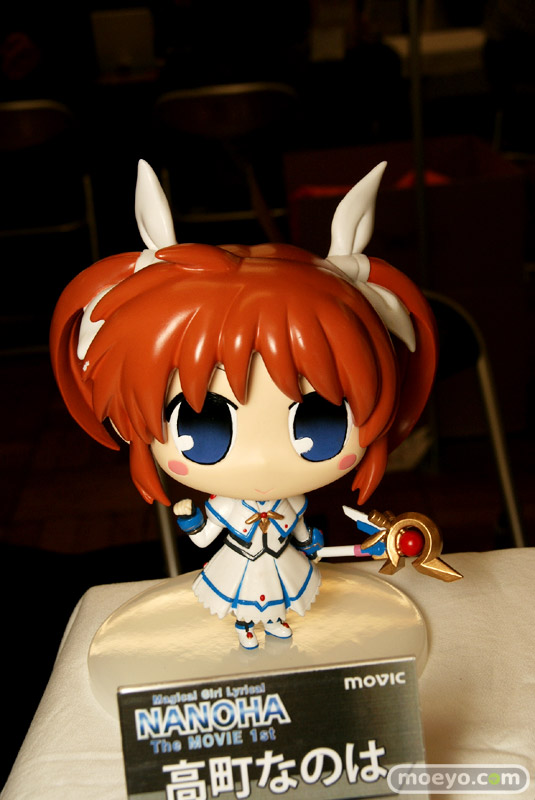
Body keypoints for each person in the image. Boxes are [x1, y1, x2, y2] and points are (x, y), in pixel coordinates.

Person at [50, 160, 437, 649]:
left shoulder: (292, 506)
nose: (260, 460)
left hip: (285, 570)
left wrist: (316, 544)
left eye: (319, 422)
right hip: (238, 571)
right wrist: (191, 518)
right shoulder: (231, 508)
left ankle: (273, 622)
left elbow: (304, 538)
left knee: (284, 602)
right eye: (204, 426)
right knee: (244, 605)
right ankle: (246, 626)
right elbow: (203, 537)